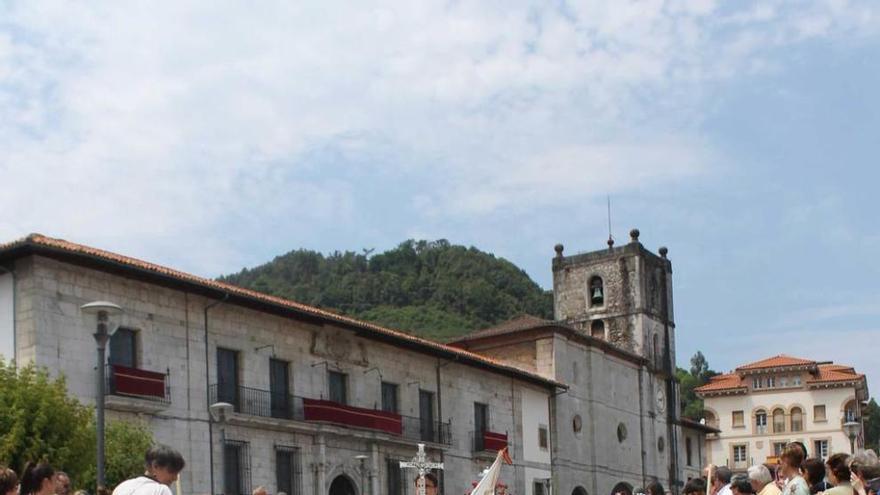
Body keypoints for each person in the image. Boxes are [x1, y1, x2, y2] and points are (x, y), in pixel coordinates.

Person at [112, 445, 186, 495]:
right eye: (172, 471)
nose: (175, 478)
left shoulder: (122, 486)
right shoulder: (160, 490)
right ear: (155, 466)